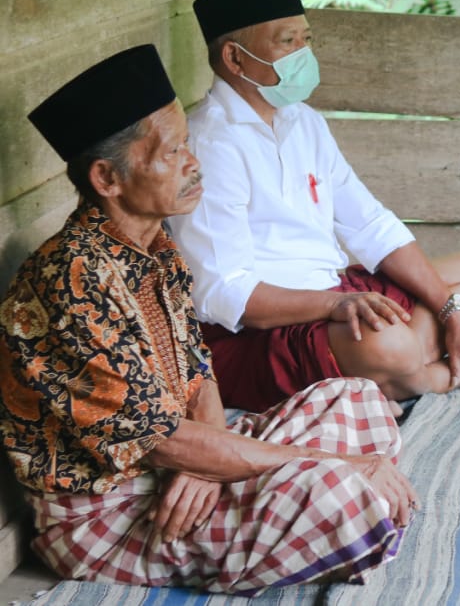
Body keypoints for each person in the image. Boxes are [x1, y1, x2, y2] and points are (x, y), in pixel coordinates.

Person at [0, 46, 416, 594]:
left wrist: (205, 465)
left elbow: (199, 375)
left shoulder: (157, 250)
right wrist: (326, 465)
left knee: (355, 396)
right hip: (107, 510)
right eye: (171, 153)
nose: (193, 164)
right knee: (340, 496)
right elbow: (159, 442)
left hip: (177, 464)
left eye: (188, 145)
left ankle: (289, 489)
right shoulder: (71, 281)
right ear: (107, 178)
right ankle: (335, 496)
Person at [168, 0, 460, 412]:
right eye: (287, 41)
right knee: (389, 345)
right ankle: (435, 373)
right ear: (235, 59)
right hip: (259, 333)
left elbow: (370, 224)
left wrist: (455, 314)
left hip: (336, 298)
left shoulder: (303, 121)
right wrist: (335, 305)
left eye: (306, 39)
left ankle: (404, 367)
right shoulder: (210, 143)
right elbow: (225, 294)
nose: (303, 54)